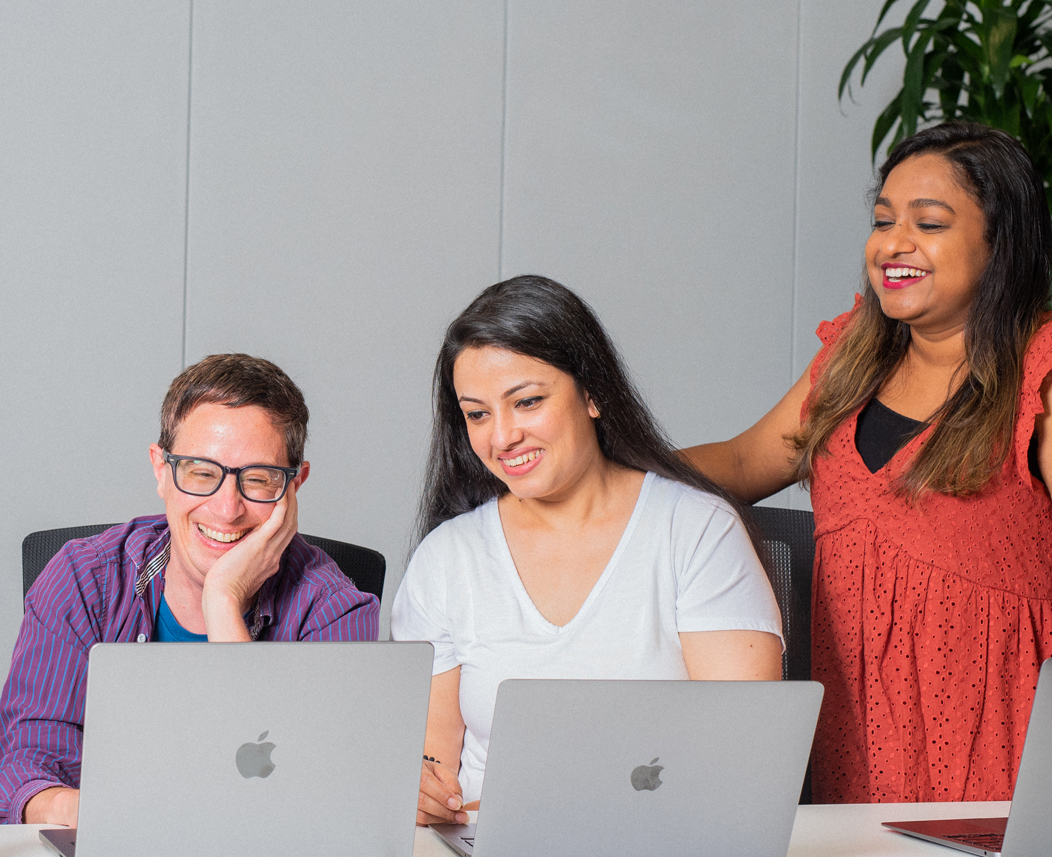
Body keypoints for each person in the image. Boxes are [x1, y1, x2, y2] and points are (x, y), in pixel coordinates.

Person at [683, 122, 1052, 804]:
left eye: (928, 223)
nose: (892, 243)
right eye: (883, 220)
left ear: (1002, 244)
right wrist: (596, 468)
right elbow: (741, 460)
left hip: (1011, 762)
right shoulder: (852, 357)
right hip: (859, 747)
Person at [391, 275, 784, 825]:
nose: (502, 438)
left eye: (526, 402)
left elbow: (747, 758)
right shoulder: (446, 558)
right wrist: (420, 788)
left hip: (659, 840)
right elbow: (431, 762)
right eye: (478, 414)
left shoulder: (696, 531)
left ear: (594, 393)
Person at [0, 354, 380, 826]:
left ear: (294, 486)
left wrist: (223, 598)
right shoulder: (84, 578)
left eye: (258, 480)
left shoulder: (334, 610)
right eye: (201, 473)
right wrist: (92, 813)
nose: (226, 509)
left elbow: (312, 797)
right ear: (161, 469)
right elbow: (29, 756)